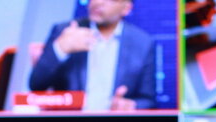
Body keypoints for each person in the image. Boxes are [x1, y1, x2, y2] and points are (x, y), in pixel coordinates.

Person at [28, 0, 157, 111]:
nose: (97, 2)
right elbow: (36, 85)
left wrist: (130, 105)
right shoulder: (66, 31)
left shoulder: (142, 42)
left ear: (126, 8)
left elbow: (148, 100)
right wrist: (60, 49)